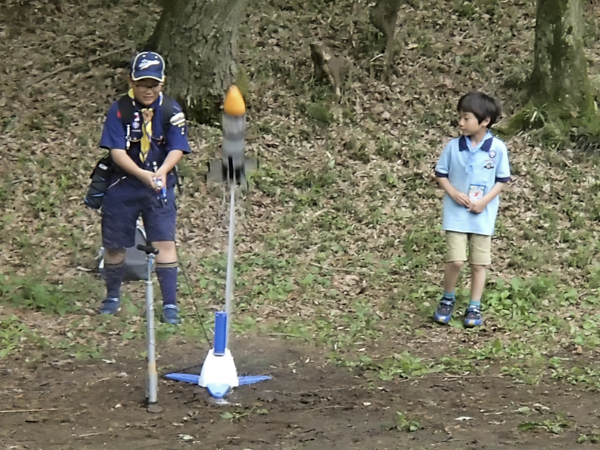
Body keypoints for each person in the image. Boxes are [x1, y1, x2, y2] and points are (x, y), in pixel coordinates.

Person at [97, 51, 191, 325]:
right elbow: (117, 151)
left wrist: (160, 172)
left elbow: (177, 148)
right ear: (131, 81)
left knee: (164, 242)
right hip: (123, 185)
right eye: (141, 84)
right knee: (115, 245)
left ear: (162, 83)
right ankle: (112, 296)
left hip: (159, 186)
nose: (147, 90)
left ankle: (170, 305)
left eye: (153, 84)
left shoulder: (171, 110)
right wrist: (141, 174)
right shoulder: (119, 110)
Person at [432, 91, 511, 327]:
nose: (461, 122)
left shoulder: (497, 148)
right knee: (455, 260)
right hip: (456, 212)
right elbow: (441, 174)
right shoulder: (453, 147)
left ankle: (474, 307)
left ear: (484, 121)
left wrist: (484, 201)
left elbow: (503, 180)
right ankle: (447, 299)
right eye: (460, 117)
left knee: (479, 264)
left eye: (466, 118)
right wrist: (453, 192)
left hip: (482, 214)